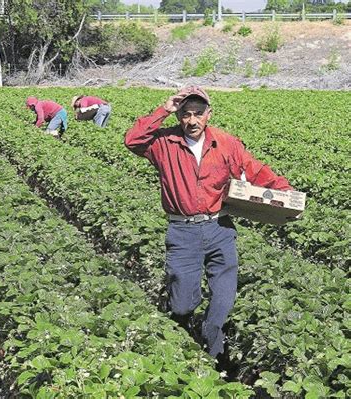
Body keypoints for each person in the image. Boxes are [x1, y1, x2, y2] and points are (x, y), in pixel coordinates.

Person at [124, 86, 292, 358]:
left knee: (224, 299)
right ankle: (182, 331)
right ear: (178, 115)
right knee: (181, 305)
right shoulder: (164, 143)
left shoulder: (226, 143)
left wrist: (286, 193)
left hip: (219, 228)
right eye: (186, 114)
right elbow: (132, 140)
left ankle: (213, 352)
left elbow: (254, 169)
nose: (192, 121)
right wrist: (163, 109)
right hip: (182, 231)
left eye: (198, 114)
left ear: (208, 114)